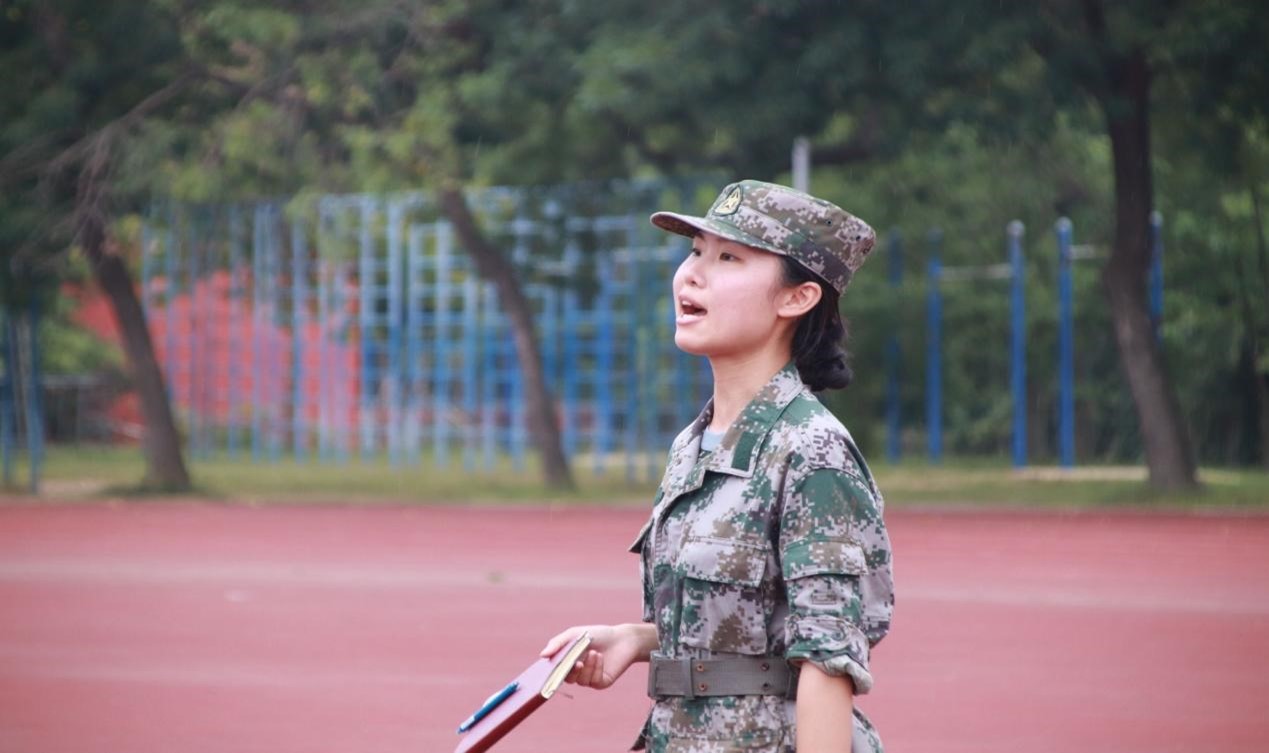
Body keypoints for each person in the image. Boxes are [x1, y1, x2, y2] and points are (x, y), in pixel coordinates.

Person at [541, 180, 895, 753]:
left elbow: (827, 661)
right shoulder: (696, 442)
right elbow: (750, 625)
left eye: (729, 258)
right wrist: (635, 639)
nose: (691, 275)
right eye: (696, 252)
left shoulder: (810, 449)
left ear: (797, 298)